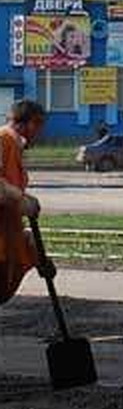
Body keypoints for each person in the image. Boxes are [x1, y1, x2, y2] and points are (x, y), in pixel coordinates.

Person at [0, 100, 48, 307]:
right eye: (39, 126)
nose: (40, 132)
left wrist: (38, 256)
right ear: (31, 123)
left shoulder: (15, 146)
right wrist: (22, 199)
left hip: (8, 237)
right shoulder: (3, 140)